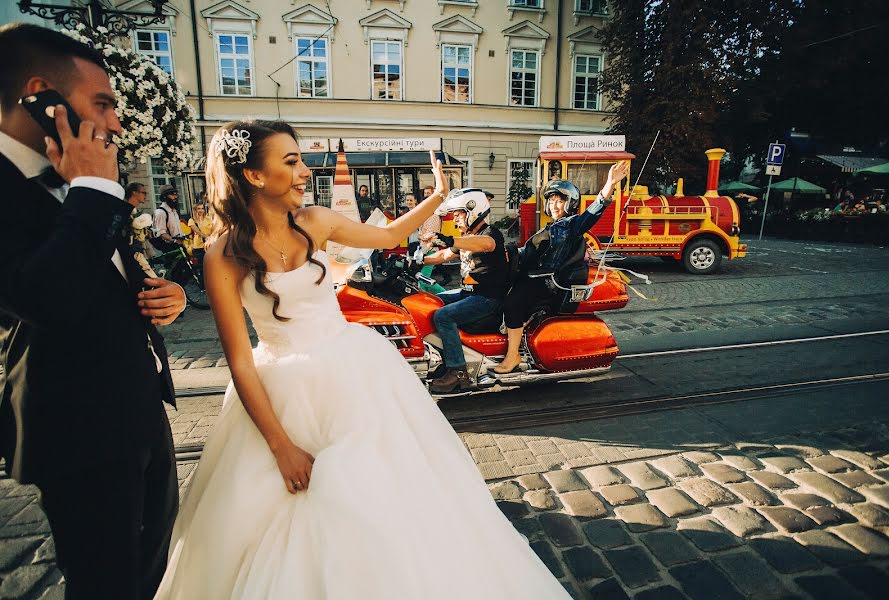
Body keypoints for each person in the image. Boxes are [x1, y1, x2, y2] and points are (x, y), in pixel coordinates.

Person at [153, 121, 568, 599]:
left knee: (378, 497)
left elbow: (390, 236)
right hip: (281, 392)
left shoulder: (315, 221)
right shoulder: (221, 255)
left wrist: (437, 196)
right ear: (253, 176)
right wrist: (281, 447)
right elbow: (241, 364)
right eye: (290, 161)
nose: (305, 170)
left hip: (354, 374)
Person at [0, 23, 186, 600]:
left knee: (151, 569)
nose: (116, 122)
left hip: (139, 411)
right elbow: (42, 297)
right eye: (102, 102)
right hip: (77, 426)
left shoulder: (73, 177)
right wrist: (92, 190)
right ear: (41, 95)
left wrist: (163, 297)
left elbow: (100, 278)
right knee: (106, 584)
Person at [493, 162, 629, 374]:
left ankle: (512, 356)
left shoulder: (571, 225)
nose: (555, 205)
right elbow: (530, 253)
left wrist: (609, 184)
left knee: (512, 303)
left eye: (560, 201)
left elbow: (592, 213)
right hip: (530, 275)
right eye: (552, 201)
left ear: (569, 203)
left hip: (547, 282)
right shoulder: (551, 226)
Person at [420, 189, 508, 393]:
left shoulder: (489, 233)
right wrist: (414, 260)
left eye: (459, 215)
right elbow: (442, 256)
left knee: (443, 316)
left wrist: (447, 239)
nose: (456, 219)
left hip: (488, 298)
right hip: (468, 293)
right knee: (429, 300)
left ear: (473, 211)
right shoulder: (467, 236)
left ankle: (458, 372)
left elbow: (486, 245)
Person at [151, 184, 181, 252]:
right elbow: (161, 233)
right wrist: (174, 240)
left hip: (178, 245)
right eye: (172, 195)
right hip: (168, 247)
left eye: (175, 194)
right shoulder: (161, 212)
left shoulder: (174, 211)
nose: (175, 197)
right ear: (164, 196)